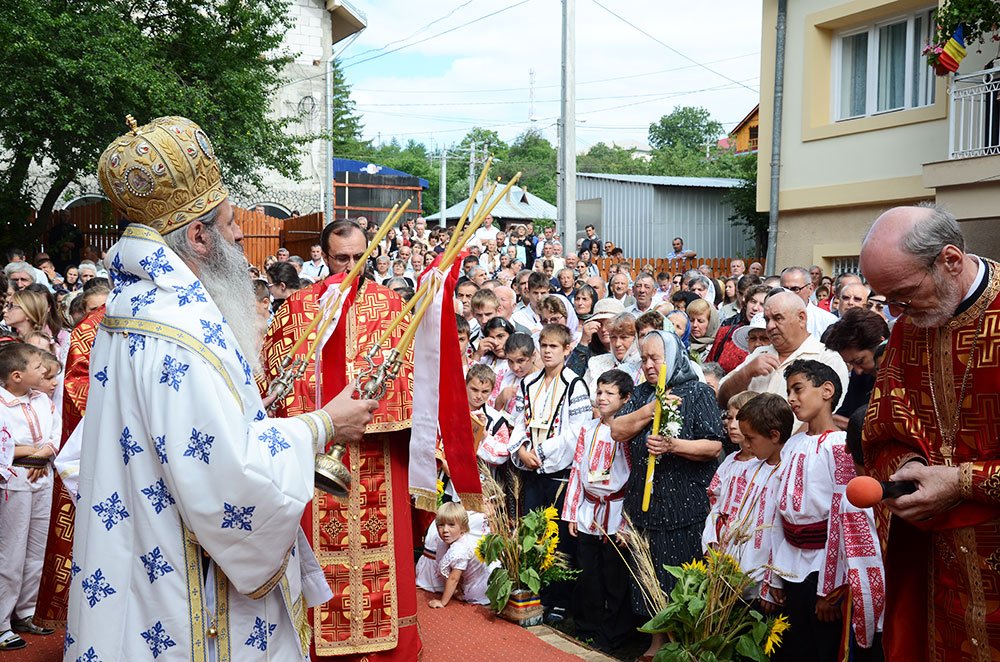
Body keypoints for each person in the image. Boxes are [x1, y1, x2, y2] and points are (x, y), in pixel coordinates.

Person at [60, 116, 379, 661]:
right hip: (186, 579)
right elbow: (223, 472)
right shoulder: (180, 331)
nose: (239, 236)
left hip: (136, 549)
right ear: (200, 236)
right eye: (231, 224)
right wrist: (322, 424)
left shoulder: (129, 307)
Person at [261, 216, 422, 659]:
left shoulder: (392, 308)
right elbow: (275, 386)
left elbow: (410, 383)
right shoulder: (297, 310)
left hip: (378, 462)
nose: (350, 267)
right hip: (313, 459)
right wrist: (320, 422)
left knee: (381, 561)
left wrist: (374, 408)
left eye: (359, 258)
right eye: (341, 258)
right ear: (322, 256)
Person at [859, 204, 1000, 661]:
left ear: (951, 260)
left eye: (902, 295)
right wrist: (909, 469)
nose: (896, 312)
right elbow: (883, 428)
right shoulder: (911, 326)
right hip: (940, 567)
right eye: (887, 301)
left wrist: (960, 481)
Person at [611, 330, 724, 659]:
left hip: (684, 501)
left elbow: (714, 445)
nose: (648, 364)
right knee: (648, 572)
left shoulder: (697, 392)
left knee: (679, 574)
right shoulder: (643, 393)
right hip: (644, 500)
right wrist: (651, 408)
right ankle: (657, 640)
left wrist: (675, 446)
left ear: (673, 357)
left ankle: (682, 642)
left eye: (655, 358)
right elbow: (618, 429)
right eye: (643, 358)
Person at [768, 360, 884, 660]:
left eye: (798, 389)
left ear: (827, 391)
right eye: (789, 391)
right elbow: (778, 512)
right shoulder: (792, 444)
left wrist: (829, 590)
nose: (791, 398)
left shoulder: (839, 447)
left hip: (821, 567)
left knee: (822, 647)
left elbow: (842, 519)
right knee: (792, 644)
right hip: (790, 560)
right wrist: (774, 576)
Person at [507, 323, 590, 622]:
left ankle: (558, 600)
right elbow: (518, 420)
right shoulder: (529, 383)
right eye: (544, 345)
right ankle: (534, 591)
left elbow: (576, 432)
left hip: (558, 471)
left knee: (558, 539)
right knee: (532, 533)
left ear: (567, 349)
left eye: (554, 346)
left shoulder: (574, 384)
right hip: (532, 466)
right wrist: (521, 449)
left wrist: (541, 453)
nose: (547, 351)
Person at [562, 369, 635, 652]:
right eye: (599, 392)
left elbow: (634, 479)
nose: (602, 398)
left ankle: (615, 633)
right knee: (588, 572)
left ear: (626, 398)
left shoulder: (628, 433)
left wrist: (627, 524)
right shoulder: (588, 429)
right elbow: (577, 470)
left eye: (609, 393)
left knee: (614, 576)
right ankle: (588, 625)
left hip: (616, 510)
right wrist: (571, 511)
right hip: (589, 511)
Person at [0, 344, 59, 652]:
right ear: (17, 376)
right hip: (16, 479)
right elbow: (5, 447)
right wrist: (32, 453)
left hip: (43, 475)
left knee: (36, 550)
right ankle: (1, 622)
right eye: (38, 367)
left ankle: (25, 611)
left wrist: (44, 451)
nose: (44, 371)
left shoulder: (43, 399)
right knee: (11, 552)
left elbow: (55, 435)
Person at [716, 291, 849, 418]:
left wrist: (787, 442)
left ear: (801, 318)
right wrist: (746, 373)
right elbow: (722, 399)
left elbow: (826, 417)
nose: (770, 326)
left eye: (778, 318)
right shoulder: (758, 354)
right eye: (767, 320)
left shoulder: (827, 358)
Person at [722, 392, 794, 602]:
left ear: (774, 435)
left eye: (751, 438)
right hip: (740, 569)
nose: (747, 444)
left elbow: (780, 531)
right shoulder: (752, 468)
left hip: (766, 579)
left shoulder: (787, 471)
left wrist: (772, 582)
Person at [702, 390, 761, 552]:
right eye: (729, 418)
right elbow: (716, 501)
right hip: (722, 544)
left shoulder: (763, 465)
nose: (733, 425)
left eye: (740, 418)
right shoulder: (730, 461)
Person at [584, 313, 641, 399]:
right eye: (613, 337)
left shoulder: (643, 366)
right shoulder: (598, 363)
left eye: (624, 337)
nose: (617, 344)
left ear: (635, 338)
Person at [780, 266, 838, 338]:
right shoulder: (771, 318)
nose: (789, 293)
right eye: (784, 289)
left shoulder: (828, 320)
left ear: (810, 289)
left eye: (795, 289)